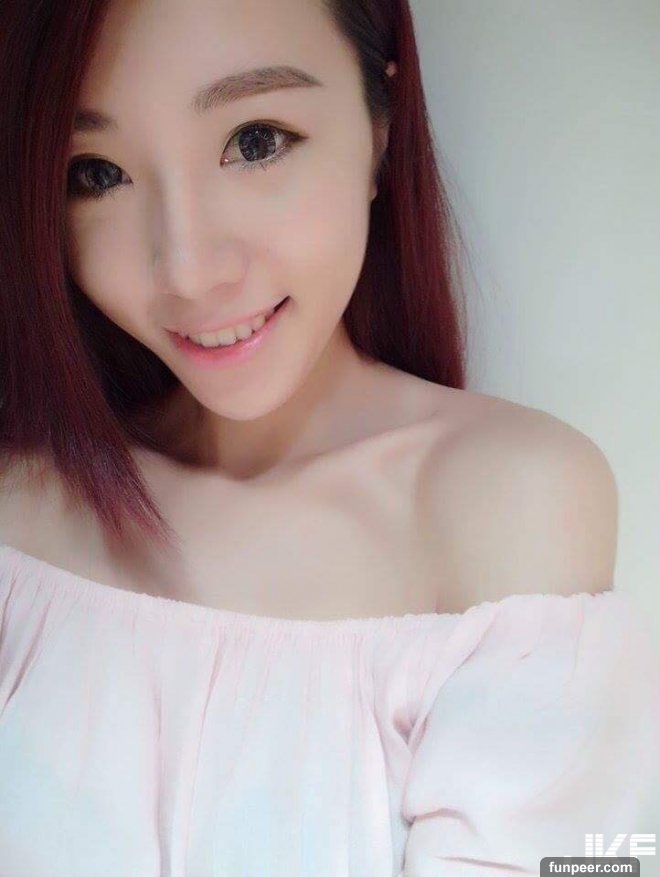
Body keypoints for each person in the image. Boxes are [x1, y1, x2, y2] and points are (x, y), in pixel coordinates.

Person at [0, 0, 658, 874]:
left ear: (381, 127)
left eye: (256, 141)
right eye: (98, 173)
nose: (188, 270)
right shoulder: (21, 510)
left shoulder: (507, 505)